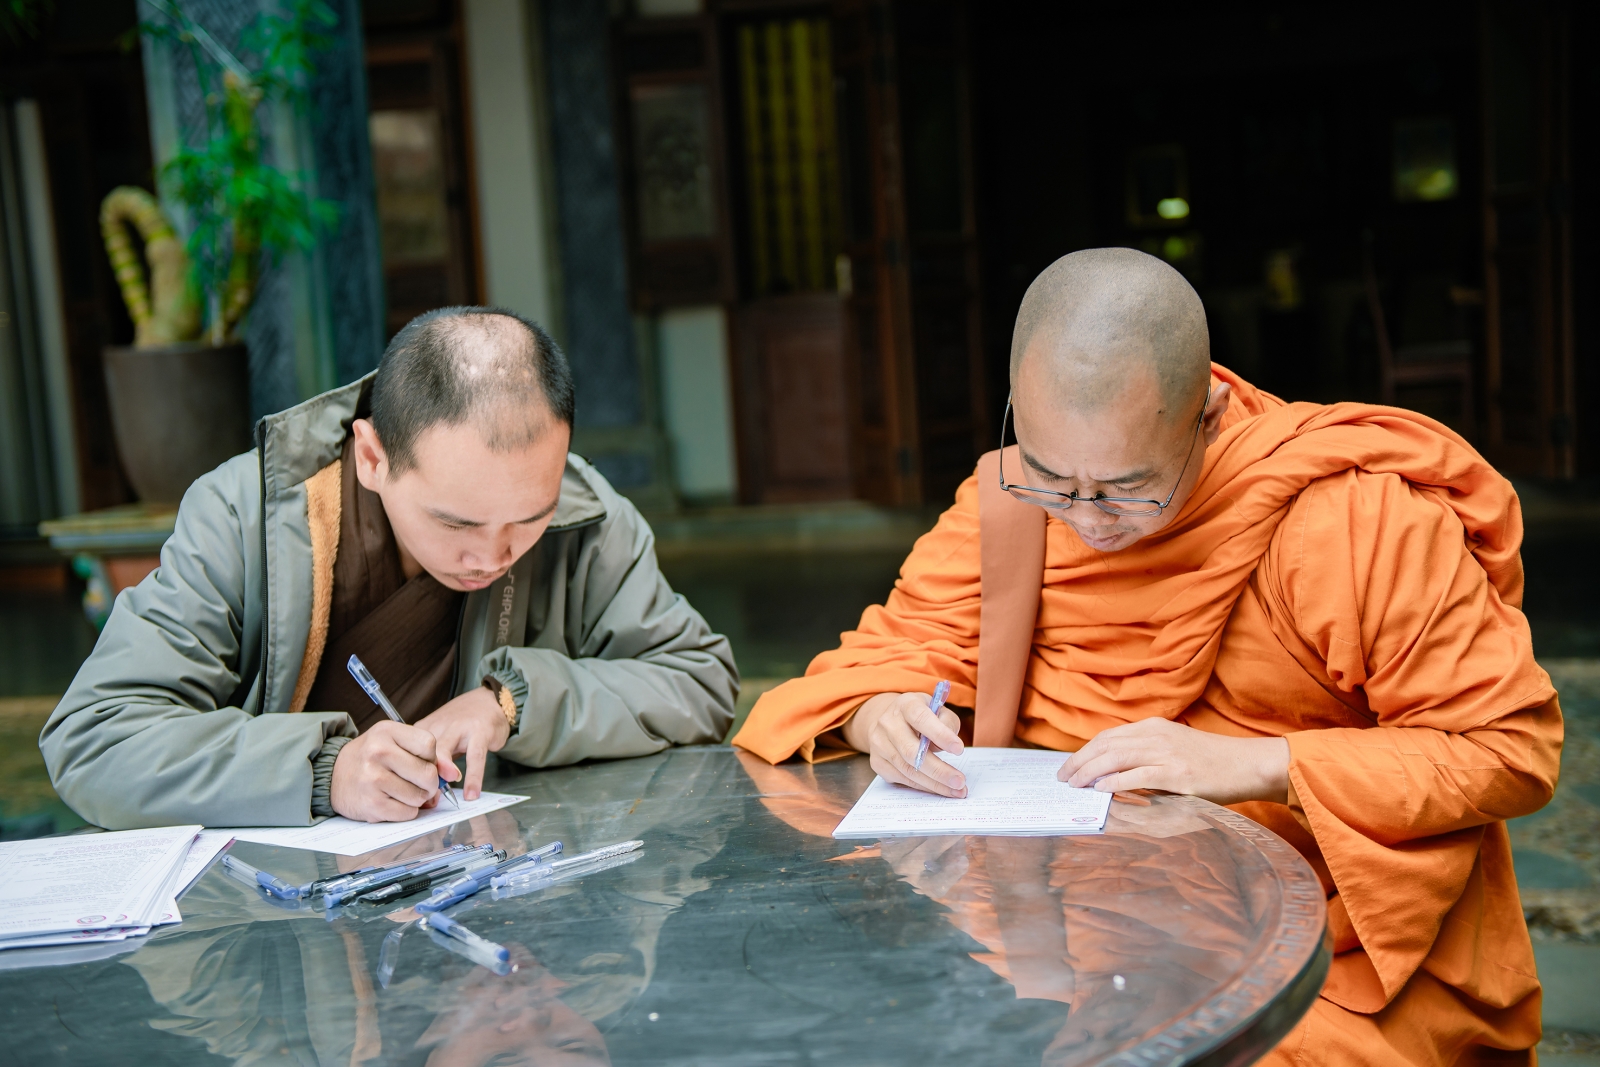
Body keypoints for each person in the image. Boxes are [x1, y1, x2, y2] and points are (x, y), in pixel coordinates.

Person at [733, 249, 1562, 1064]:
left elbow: (1507, 748)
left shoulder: (1353, 520)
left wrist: (1251, 764)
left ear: (1208, 414)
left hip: (1324, 957)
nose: (1087, 519)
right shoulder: (1011, 505)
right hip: (1062, 944)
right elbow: (877, 661)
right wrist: (882, 713)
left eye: (1128, 488)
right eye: (1054, 478)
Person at [43, 306, 737, 829]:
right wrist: (325, 771)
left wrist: (512, 702)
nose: (494, 556)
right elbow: (97, 738)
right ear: (373, 457)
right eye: (456, 523)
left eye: (528, 519)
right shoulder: (244, 516)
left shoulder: (583, 512)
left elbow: (697, 680)